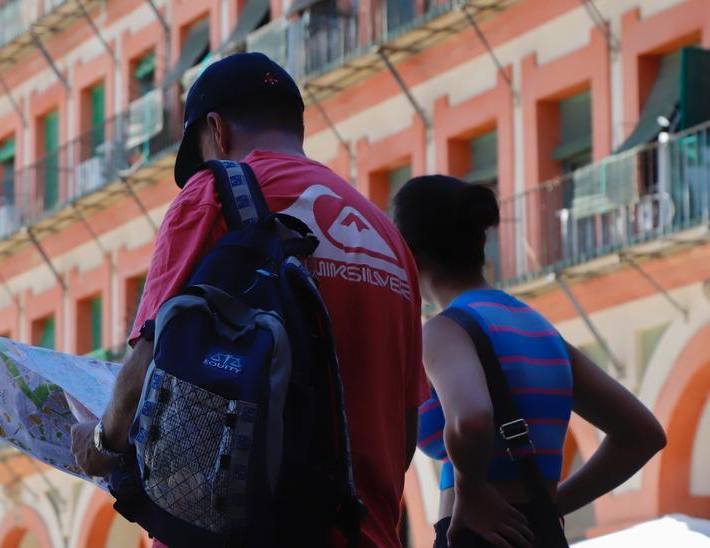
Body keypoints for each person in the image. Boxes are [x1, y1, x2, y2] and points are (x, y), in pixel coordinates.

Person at [71, 52, 427, 547]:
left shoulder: (211, 193)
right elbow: (405, 430)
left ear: (216, 131)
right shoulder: (387, 238)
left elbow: (151, 359)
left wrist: (97, 443)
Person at [395, 175, 667, 547]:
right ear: (479, 241)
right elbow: (642, 434)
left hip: (479, 536)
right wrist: (551, 505)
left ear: (407, 252)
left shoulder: (445, 331)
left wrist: (471, 492)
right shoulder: (541, 330)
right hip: (538, 533)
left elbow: (472, 419)